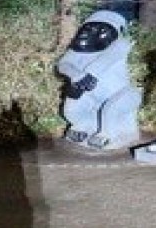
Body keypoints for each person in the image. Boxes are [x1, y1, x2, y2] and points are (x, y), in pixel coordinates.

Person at [57, 10, 142, 150]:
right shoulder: (78, 49)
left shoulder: (121, 44)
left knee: (110, 109)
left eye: (100, 28)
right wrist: (76, 75)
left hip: (123, 95)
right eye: (89, 27)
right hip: (91, 94)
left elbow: (104, 61)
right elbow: (63, 64)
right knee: (71, 106)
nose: (91, 32)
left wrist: (88, 75)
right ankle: (81, 126)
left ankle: (107, 134)